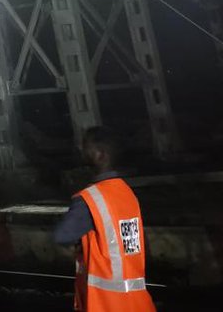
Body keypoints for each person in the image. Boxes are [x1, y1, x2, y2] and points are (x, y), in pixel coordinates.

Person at [53, 127, 155, 311]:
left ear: (100, 155)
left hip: (107, 304)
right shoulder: (127, 194)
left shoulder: (89, 199)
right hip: (137, 303)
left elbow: (62, 235)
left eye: (86, 147)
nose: (81, 150)